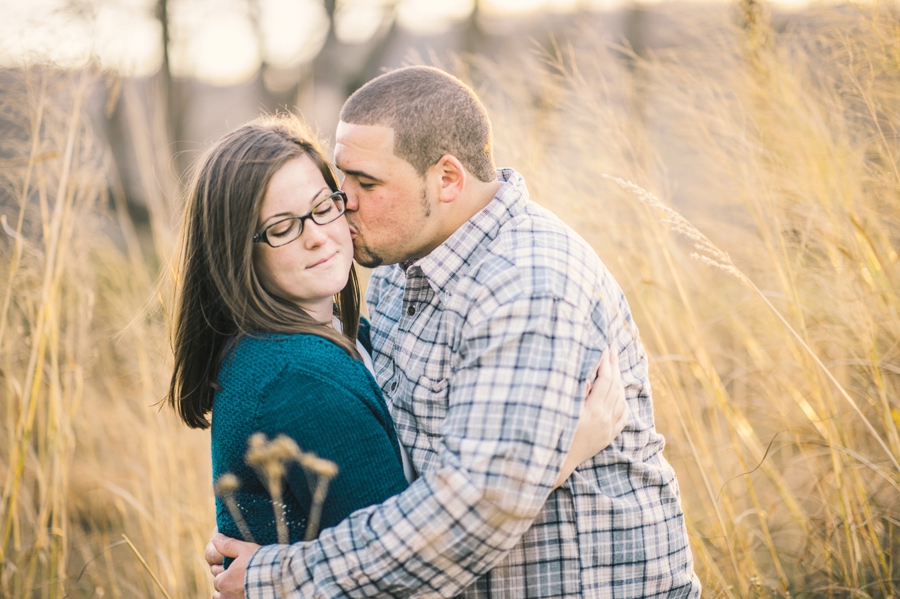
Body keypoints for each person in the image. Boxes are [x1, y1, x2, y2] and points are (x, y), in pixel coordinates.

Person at [209, 67, 701, 598]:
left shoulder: (528, 285)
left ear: (447, 179)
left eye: (367, 183)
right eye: (342, 178)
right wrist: (549, 462)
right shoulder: (398, 270)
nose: (341, 202)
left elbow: (473, 512)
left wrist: (276, 580)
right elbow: (413, 468)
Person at [166, 115, 628, 573]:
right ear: (236, 252)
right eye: (282, 228)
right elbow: (411, 568)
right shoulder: (299, 379)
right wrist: (562, 455)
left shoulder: (339, 338)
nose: (317, 236)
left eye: (324, 207)